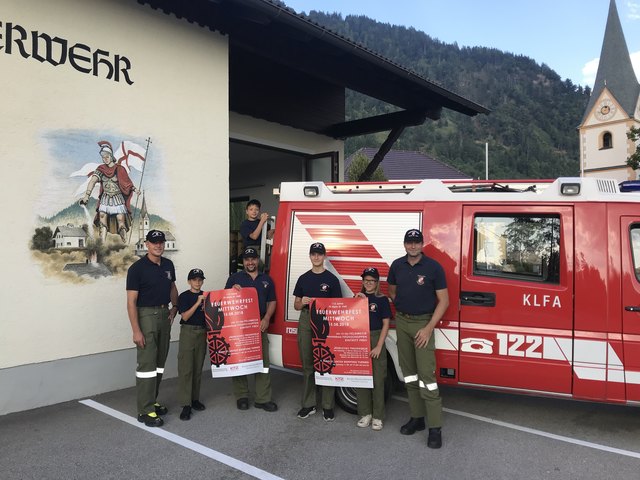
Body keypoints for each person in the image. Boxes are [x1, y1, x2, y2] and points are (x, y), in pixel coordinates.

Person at [387, 229, 449, 449]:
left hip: (423, 324)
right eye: (409, 242)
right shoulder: (397, 265)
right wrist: (404, 308)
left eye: (416, 242)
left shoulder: (433, 267)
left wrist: (428, 328)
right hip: (402, 323)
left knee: (427, 377)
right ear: (404, 244)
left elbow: (444, 300)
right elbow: (392, 291)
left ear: (422, 244)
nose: (412, 246)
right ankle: (417, 418)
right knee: (410, 375)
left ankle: (435, 428)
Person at [126, 229, 178, 427]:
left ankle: (152, 400)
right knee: (147, 366)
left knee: (159, 363)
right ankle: (145, 410)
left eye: (161, 242)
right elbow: (131, 302)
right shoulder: (137, 269)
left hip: (164, 315)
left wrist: (175, 307)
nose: (158, 245)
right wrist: (136, 330)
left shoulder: (168, 265)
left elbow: (172, 287)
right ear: (146, 244)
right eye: (154, 242)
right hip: (146, 316)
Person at [293, 242, 343, 421]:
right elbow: (296, 305)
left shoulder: (331, 280)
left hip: (325, 321)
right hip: (307, 319)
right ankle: (308, 404)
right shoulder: (303, 278)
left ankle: (328, 406)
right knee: (308, 364)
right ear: (310, 256)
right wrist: (303, 302)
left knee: (325, 364)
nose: (316, 257)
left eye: (319, 254)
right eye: (313, 254)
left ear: (324, 257)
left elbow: (337, 306)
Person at [224, 247, 278, 412]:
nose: (250, 262)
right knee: (239, 361)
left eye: (253, 259)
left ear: (257, 260)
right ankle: (242, 396)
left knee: (263, 363)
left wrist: (267, 318)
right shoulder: (234, 278)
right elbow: (225, 300)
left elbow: (272, 302)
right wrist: (233, 292)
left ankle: (263, 398)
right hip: (239, 326)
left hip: (259, 324)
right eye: (247, 260)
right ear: (244, 262)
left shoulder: (267, 279)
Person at [354, 267, 391, 431]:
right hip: (360, 338)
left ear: (377, 283)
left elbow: (386, 324)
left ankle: (377, 416)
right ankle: (365, 413)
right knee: (362, 378)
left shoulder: (382, 300)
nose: (368, 283)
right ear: (363, 281)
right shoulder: (357, 297)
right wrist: (356, 302)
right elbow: (350, 320)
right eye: (366, 280)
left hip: (376, 338)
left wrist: (378, 346)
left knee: (378, 380)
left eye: (372, 281)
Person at [80, 141, 136, 242]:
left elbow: (127, 183)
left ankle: (125, 244)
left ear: (111, 156)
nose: (105, 159)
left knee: (120, 221)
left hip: (117, 198)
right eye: (103, 157)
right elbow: (92, 181)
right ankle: (102, 245)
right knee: (102, 220)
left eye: (107, 157)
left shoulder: (120, 169)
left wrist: (134, 189)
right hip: (105, 198)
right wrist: (86, 196)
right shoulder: (101, 169)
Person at [176, 268, 208, 421]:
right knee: (186, 369)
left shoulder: (207, 296)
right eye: (194, 279)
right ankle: (185, 404)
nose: (197, 282)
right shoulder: (184, 296)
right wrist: (198, 302)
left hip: (202, 332)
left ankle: (195, 399)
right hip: (188, 332)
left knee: (197, 368)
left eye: (200, 279)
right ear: (189, 281)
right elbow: (186, 316)